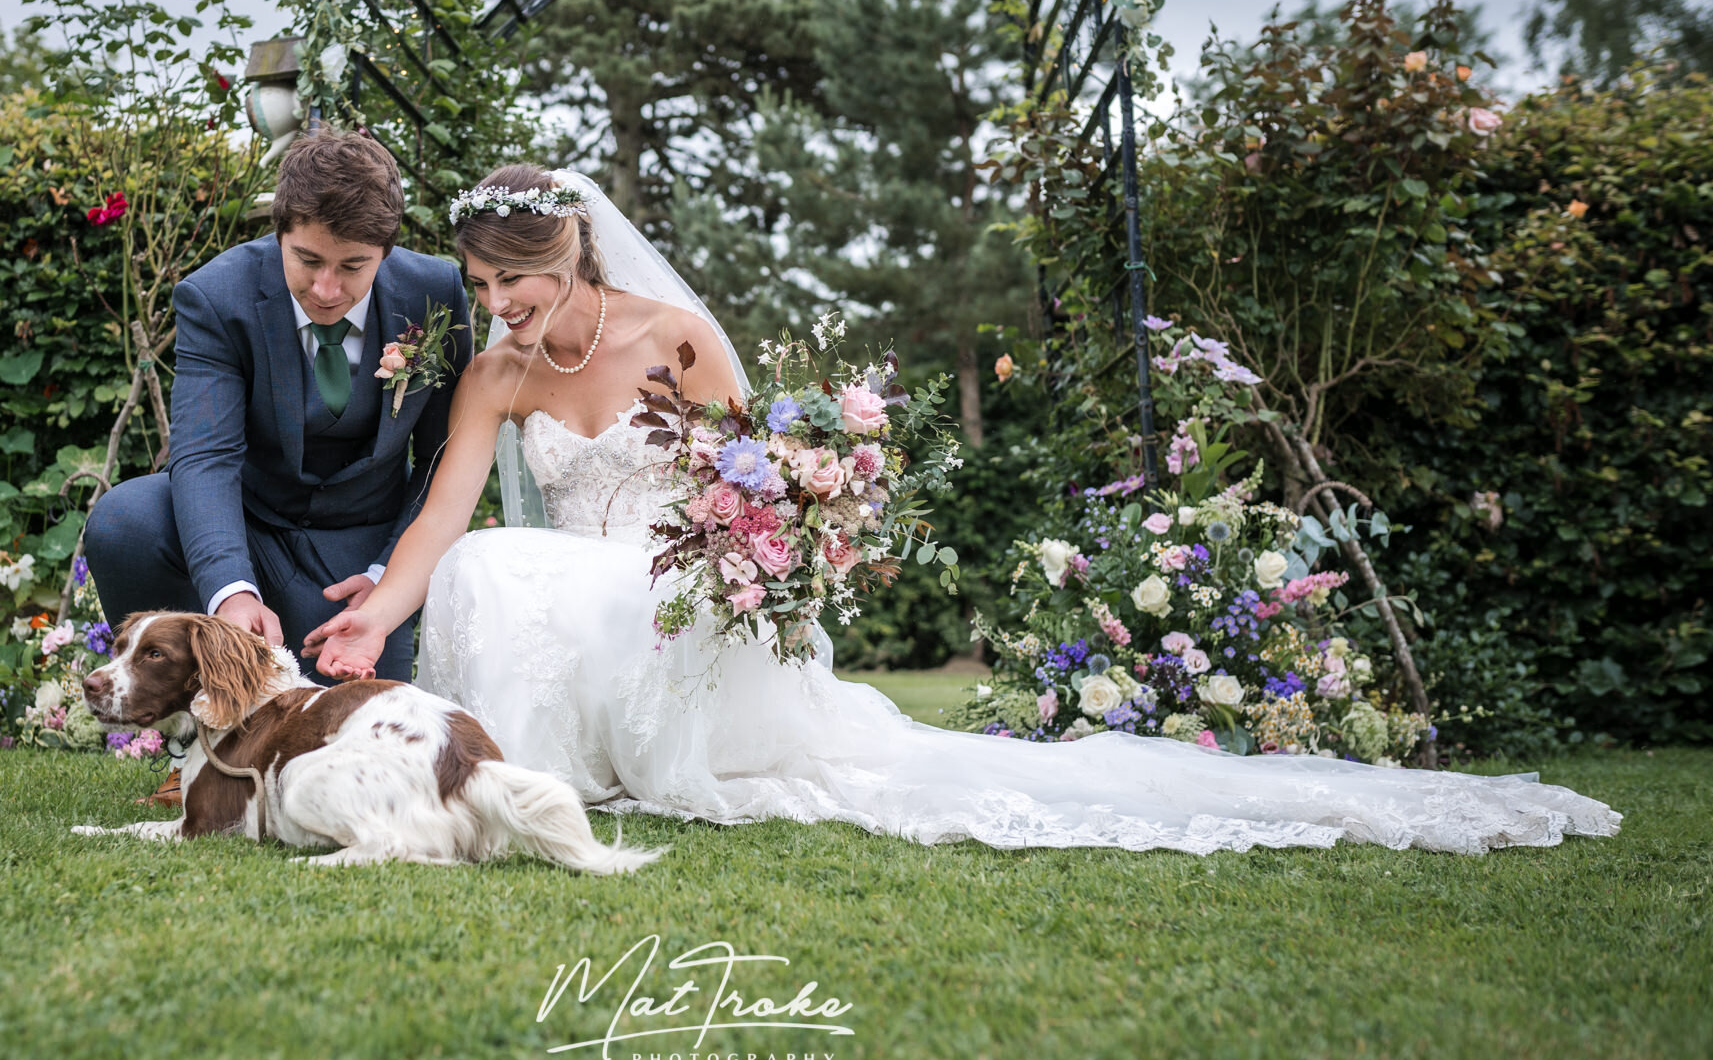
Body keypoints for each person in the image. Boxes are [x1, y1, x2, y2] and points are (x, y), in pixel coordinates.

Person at [299, 164, 1621, 855]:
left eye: (514, 279)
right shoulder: (492, 373)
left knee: (541, 573)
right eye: (479, 281)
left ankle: (584, 771)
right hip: (575, 617)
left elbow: (764, 485)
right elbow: (439, 520)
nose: (497, 303)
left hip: (672, 606)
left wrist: (769, 555)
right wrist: (377, 616)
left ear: (573, 250)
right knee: (483, 562)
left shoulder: (677, 336)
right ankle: (542, 786)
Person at [84, 126, 471, 696]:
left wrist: (388, 577)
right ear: (279, 232)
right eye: (307, 259)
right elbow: (205, 456)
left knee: (350, 729)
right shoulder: (217, 297)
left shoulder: (433, 291)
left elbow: (443, 459)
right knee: (125, 518)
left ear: (386, 253)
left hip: (359, 557)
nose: (326, 288)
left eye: (353, 266)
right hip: (246, 529)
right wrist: (230, 590)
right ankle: (188, 745)